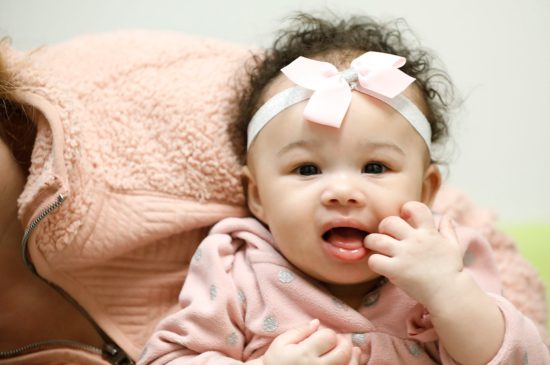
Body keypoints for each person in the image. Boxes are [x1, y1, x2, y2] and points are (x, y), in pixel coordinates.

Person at [138, 13, 550, 365]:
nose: (341, 191)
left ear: (426, 191)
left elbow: (524, 357)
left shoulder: (447, 255)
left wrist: (447, 291)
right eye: (306, 168)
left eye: (375, 166)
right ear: (258, 195)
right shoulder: (235, 268)